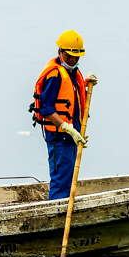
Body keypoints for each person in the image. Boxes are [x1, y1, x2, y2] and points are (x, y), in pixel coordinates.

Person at [32, 31, 98, 201]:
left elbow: (70, 95)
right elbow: (46, 108)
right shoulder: (54, 75)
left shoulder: (73, 72)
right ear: (60, 52)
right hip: (59, 137)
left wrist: (85, 83)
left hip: (70, 136)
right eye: (69, 56)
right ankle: (57, 217)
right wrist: (67, 128)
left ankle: (63, 212)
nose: (72, 60)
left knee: (68, 180)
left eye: (76, 57)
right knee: (61, 182)